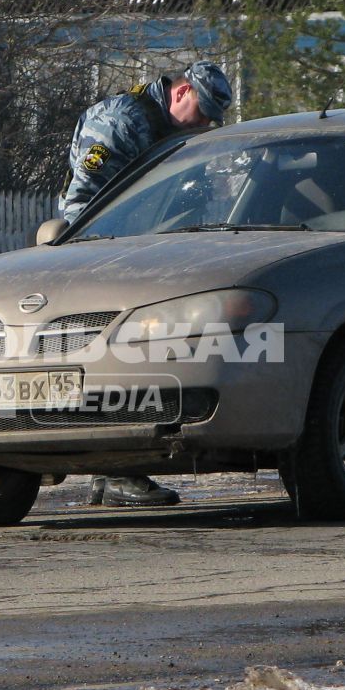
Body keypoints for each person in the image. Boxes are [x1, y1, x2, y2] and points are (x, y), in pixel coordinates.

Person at [61, 59, 233, 507]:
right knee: (120, 364)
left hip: (142, 256)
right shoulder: (121, 121)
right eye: (204, 113)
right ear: (181, 94)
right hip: (102, 261)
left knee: (134, 361)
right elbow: (83, 204)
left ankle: (112, 470)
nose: (206, 125)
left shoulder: (170, 130)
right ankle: (119, 471)